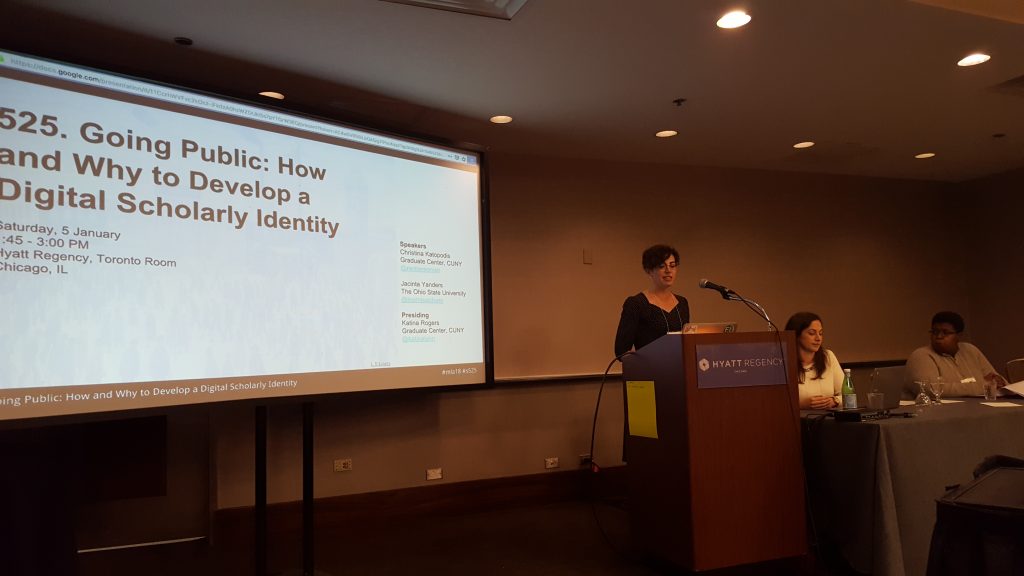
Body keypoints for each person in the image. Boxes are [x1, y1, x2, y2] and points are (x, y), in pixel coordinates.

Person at [905, 311, 1007, 397]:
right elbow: (931, 390)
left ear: (959, 335)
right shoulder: (921, 356)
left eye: (945, 332)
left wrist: (998, 382)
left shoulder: (970, 350)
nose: (939, 336)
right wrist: (982, 385)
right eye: (935, 332)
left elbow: (995, 380)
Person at [614, 244, 690, 357]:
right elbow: (621, 351)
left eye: (672, 266)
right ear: (649, 271)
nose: (668, 270)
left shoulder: (682, 302)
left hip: (680, 370)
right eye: (661, 266)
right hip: (649, 371)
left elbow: (687, 341)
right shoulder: (636, 304)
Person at [785, 312, 844, 410]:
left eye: (820, 333)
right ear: (796, 335)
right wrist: (801, 404)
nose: (818, 338)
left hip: (827, 420)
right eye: (812, 333)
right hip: (797, 421)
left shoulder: (828, 356)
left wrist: (834, 401)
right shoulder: (782, 360)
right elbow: (774, 403)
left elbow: (848, 396)